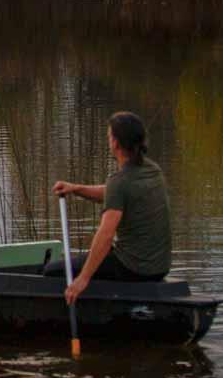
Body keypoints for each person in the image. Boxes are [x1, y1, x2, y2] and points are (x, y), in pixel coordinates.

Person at [53, 110, 172, 304]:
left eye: (109, 136)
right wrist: (76, 189)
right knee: (89, 264)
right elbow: (116, 195)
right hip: (160, 268)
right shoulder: (152, 170)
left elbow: (106, 234)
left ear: (115, 143)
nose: (108, 140)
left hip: (133, 269)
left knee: (54, 272)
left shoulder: (120, 181)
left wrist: (83, 279)